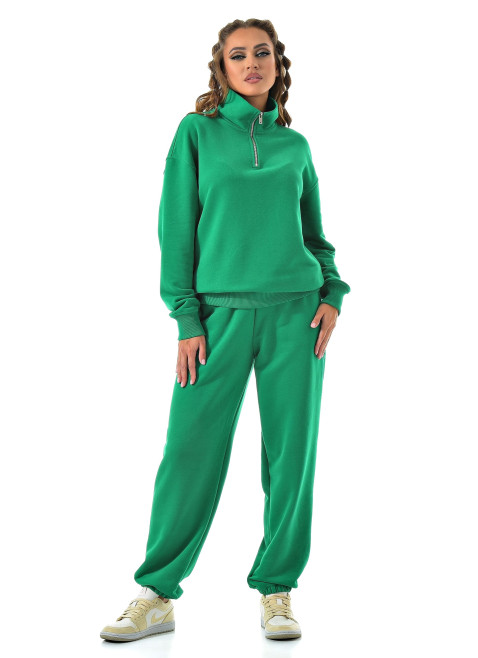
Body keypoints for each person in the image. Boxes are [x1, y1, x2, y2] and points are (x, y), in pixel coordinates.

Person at [100, 17, 351, 643]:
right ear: (222, 68)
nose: (252, 63)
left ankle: (278, 589)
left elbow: (315, 237)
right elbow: (175, 229)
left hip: (298, 315)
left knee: (291, 457)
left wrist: (334, 292)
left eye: (262, 53)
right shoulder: (196, 133)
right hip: (216, 318)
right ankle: (157, 592)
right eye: (238, 56)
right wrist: (186, 316)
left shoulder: (296, 146)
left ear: (278, 64)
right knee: (189, 451)